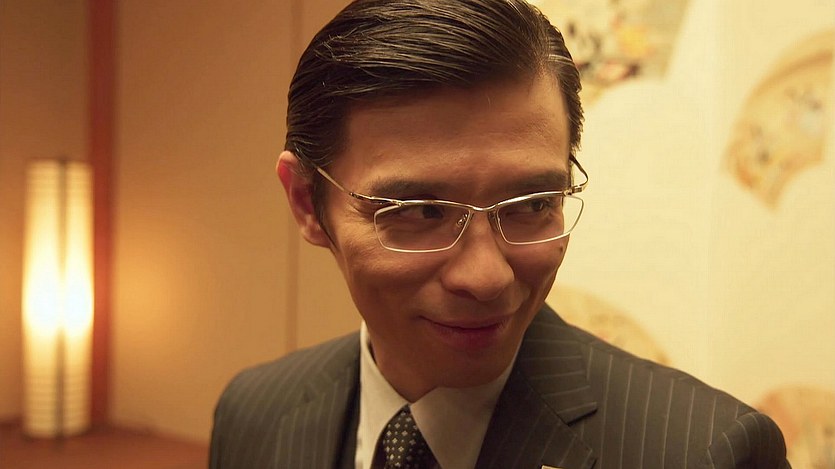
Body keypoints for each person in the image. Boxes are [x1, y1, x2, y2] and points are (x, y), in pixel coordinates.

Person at [209, 1, 789, 468]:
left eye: (533, 204)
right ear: (307, 202)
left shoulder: (706, 452)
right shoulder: (255, 412)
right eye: (420, 211)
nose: (486, 277)